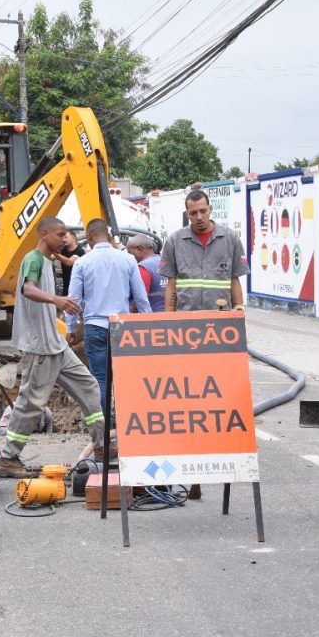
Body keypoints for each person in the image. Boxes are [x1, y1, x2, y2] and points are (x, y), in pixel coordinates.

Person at [0, 216, 107, 479]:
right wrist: (57, 300)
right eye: (60, 234)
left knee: (89, 387)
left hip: (56, 345)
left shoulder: (49, 260)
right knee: (30, 404)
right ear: (44, 234)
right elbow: (28, 289)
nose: (65, 238)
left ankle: (103, 447)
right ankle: (9, 458)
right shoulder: (33, 259)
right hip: (40, 347)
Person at [159, 189, 250, 499]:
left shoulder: (230, 239)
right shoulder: (174, 242)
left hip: (218, 334)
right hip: (184, 332)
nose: (198, 217)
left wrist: (238, 316)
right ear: (187, 213)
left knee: (218, 402)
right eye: (192, 213)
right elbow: (171, 286)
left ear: (211, 209)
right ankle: (191, 472)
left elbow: (235, 282)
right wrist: (167, 324)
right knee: (187, 402)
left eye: (202, 211)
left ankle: (215, 461)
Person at [67, 219, 151, 409]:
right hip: (121, 327)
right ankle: (126, 423)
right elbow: (141, 297)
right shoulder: (128, 259)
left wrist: (71, 328)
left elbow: (73, 300)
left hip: (94, 327)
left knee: (99, 380)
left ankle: (103, 429)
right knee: (125, 379)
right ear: (109, 235)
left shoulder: (82, 263)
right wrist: (148, 321)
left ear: (88, 237)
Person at [126, 233, 168, 312]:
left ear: (138, 249)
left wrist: (129, 313)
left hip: (150, 319)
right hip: (169, 317)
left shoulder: (143, 267)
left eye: (129, 252)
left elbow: (140, 299)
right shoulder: (165, 262)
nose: (129, 256)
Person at [53, 229, 85, 296]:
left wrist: (53, 251)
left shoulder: (80, 251)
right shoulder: (62, 250)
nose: (64, 240)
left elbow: (69, 262)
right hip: (66, 286)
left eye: (66, 237)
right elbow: (51, 257)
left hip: (78, 287)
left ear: (73, 238)